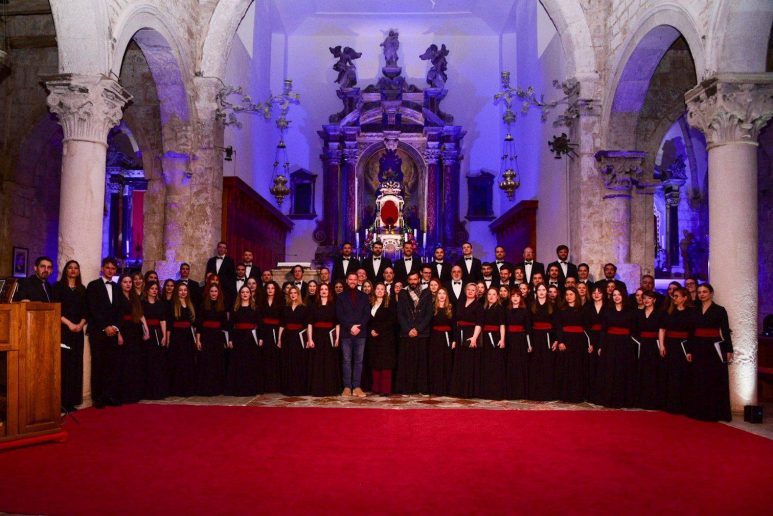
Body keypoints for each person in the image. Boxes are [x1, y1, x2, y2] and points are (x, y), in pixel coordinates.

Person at [687, 283, 733, 422]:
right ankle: (698, 411)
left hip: (714, 348)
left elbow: (725, 330)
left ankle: (714, 412)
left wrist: (729, 349)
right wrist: (689, 350)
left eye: (705, 292)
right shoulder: (694, 310)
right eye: (699, 292)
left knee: (713, 379)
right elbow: (690, 332)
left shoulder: (720, 310)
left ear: (711, 293)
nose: (701, 294)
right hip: (697, 346)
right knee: (698, 379)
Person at [52, 260, 87, 411]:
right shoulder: (58, 287)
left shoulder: (82, 289)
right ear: (66, 270)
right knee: (64, 364)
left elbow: (87, 310)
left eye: (76, 268)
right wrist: (69, 324)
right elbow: (55, 309)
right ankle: (60, 402)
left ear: (78, 271)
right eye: (70, 268)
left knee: (75, 365)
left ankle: (72, 401)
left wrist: (80, 324)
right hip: (63, 331)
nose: (73, 270)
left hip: (78, 332)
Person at [85, 257, 119, 408]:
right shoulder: (93, 285)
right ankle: (97, 398)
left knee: (111, 365)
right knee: (98, 364)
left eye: (113, 268)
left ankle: (109, 395)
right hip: (98, 332)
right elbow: (93, 309)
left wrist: (115, 327)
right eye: (107, 268)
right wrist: (105, 326)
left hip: (113, 332)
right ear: (102, 269)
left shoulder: (117, 287)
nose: (110, 270)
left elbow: (120, 310)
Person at [596, 288, 637, 408]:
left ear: (623, 296)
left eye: (619, 294)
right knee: (610, 370)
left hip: (625, 344)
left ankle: (623, 399)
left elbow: (634, 329)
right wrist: (601, 345)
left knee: (623, 370)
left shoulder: (630, 311)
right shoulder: (607, 311)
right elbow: (603, 330)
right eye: (614, 295)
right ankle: (608, 398)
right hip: (610, 344)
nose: (617, 297)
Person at [395, 272, 433, 394]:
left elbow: (428, 314)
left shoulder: (427, 293)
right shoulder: (402, 293)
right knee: (407, 363)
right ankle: (407, 389)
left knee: (422, 363)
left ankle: (422, 389)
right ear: (408, 280)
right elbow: (400, 314)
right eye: (410, 279)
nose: (413, 282)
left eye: (415, 279)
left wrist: (418, 329)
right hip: (407, 333)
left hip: (422, 333)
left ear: (419, 280)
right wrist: (409, 329)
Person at [659, 287, 694, 414]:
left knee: (682, 374)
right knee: (670, 374)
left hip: (684, 346)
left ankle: (683, 404)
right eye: (673, 296)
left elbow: (692, 332)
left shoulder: (691, 312)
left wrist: (689, 350)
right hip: (670, 345)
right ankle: (669, 404)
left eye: (677, 296)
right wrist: (662, 345)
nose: (674, 298)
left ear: (684, 298)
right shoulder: (668, 311)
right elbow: (662, 329)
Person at [115, 273, 149, 404]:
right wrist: (118, 333)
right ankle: (124, 394)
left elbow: (140, 314)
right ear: (120, 283)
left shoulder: (134, 297)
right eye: (125, 282)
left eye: (130, 282)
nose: (128, 284)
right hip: (123, 330)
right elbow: (115, 317)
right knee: (124, 362)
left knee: (135, 362)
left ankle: (134, 393)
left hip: (135, 331)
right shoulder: (117, 297)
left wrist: (146, 329)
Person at [336, 273, 371, 397]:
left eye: (355, 279)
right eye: (350, 279)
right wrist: (350, 327)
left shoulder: (364, 296)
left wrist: (358, 327)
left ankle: (356, 387)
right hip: (346, 333)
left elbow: (367, 314)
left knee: (359, 361)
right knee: (346, 360)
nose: (352, 281)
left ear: (358, 281)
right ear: (347, 280)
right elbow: (339, 314)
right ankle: (347, 387)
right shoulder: (341, 297)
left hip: (360, 333)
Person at [553, 287, 590, 403]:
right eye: (567, 294)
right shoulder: (561, 310)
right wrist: (561, 341)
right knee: (565, 367)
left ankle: (577, 394)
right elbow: (558, 327)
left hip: (579, 342)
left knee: (577, 368)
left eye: (571, 294)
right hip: (565, 341)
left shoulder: (583, 310)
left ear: (576, 295)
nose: (569, 296)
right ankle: (564, 394)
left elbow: (587, 327)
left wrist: (589, 343)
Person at [225, 285, 261, 396]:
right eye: (243, 292)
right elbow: (230, 325)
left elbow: (260, 324)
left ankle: (250, 388)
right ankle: (238, 388)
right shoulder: (235, 308)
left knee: (250, 364)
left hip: (251, 338)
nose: (245, 294)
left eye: (247, 292)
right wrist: (230, 339)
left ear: (250, 294)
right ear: (240, 294)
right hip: (238, 338)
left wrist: (260, 338)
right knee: (238, 364)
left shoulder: (255, 308)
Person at [449, 283, 482, 398]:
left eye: (473, 290)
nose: (470, 291)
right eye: (468, 289)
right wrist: (454, 339)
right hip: (460, 334)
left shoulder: (478, 305)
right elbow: (456, 322)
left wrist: (474, 338)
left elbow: (479, 323)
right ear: (465, 291)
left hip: (470, 335)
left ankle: (468, 391)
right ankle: (458, 390)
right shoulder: (460, 303)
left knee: (468, 363)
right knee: (460, 362)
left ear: (476, 292)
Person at [306, 283, 340, 396]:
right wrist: (310, 339)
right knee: (318, 363)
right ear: (319, 292)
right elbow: (310, 324)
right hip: (317, 337)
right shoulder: (314, 306)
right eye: (321, 289)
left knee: (329, 362)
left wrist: (337, 338)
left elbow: (337, 324)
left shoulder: (334, 306)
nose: (324, 291)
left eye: (326, 289)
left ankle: (330, 389)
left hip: (330, 337)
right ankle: (318, 389)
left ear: (329, 292)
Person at [196, 283, 229, 396]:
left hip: (218, 337)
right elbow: (199, 325)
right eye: (211, 291)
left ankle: (217, 388)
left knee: (217, 362)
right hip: (206, 336)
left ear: (218, 293)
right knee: (206, 362)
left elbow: (224, 326)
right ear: (208, 293)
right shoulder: (202, 306)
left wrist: (225, 341)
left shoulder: (222, 306)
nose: (213, 293)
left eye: (215, 291)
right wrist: (198, 340)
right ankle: (206, 388)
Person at [166, 282, 197, 397]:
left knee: (187, 361)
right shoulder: (172, 304)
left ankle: (188, 388)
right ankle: (177, 388)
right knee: (177, 361)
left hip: (188, 336)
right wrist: (168, 339)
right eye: (180, 290)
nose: (183, 292)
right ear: (177, 292)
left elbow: (193, 323)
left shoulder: (190, 304)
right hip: (176, 336)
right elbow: (169, 324)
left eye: (185, 290)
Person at [636, 290, 666, 410]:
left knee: (654, 371)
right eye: (644, 298)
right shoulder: (639, 313)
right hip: (642, 344)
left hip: (654, 344)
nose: (646, 300)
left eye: (649, 298)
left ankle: (654, 401)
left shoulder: (660, 313)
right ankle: (642, 400)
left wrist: (662, 345)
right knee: (642, 371)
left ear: (654, 300)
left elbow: (661, 330)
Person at [141, 280, 169, 400]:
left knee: (158, 363)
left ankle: (158, 391)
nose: (154, 291)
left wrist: (164, 336)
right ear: (147, 290)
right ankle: (147, 391)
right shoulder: (142, 303)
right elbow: (141, 318)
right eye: (152, 288)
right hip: (146, 334)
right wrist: (146, 330)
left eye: (156, 289)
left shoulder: (160, 304)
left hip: (158, 334)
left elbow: (163, 320)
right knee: (147, 362)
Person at [278, 286, 309, 396]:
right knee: (288, 362)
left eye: (295, 292)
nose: (293, 295)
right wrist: (279, 339)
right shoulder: (285, 308)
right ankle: (288, 388)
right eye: (291, 293)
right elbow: (282, 325)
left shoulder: (304, 308)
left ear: (298, 294)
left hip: (299, 337)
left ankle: (299, 388)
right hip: (287, 337)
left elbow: (306, 326)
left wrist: (307, 339)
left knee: (299, 362)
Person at [528, 284, 556, 401]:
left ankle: (547, 393)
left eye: (543, 290)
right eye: (539, 290)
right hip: (535, 337)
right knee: (535, 364)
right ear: (536, 292)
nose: (541, 292)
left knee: (547, 364)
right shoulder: (531, 305)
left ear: (546, 292)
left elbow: (556, 324)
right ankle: (535, 393)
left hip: (548, 337)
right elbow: (529, 324)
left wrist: (556, 340)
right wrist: (529, 342)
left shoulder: (552, 305)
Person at [368, 283, 397, 396]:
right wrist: (371, 330)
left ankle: (385, 389)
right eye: (378, 289)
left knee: (385, 363)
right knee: (375, 362)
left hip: (386, 337)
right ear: (374, 290)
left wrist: (378, 330)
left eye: (382, 289)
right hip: (373, 338)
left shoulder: (390, 303)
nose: (380, 291)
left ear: (385, 291)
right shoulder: (370, 303)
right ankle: (376, 388)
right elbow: (367, 319)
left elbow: (392, 320)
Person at [480, 287, 506, 400]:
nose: (491, 296)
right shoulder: (485, 308)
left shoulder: (499, 308)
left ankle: (495, 392)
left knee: (495, 365)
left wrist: (502, 339)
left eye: (494, 294)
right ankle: (486, 391)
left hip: (495, 337)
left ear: (497, 296)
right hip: (485, 338)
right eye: (489, 294)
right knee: (486, 364)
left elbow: (502, 325)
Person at [428, 287, 455, 396]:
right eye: (439, 293)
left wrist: (454, 340)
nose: (442, 295)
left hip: (447, 338)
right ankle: (435, 388)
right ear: (436, 295)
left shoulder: (450, 308)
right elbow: (429, 325)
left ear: (446, 295)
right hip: (435, 338)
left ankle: (446, 389)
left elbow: (454, 326)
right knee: (436, 362)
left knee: (446, 362)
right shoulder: (432, 308)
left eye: (444, 293)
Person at [505, 288, 530, 400]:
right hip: (510, 339)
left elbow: (528, 328)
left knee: (520, 364)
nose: (515, 298)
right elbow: (504, 326)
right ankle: (510, 391)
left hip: (521, 340)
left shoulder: (525, 311)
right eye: (513, 296)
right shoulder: (507, 310)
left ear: (521, 298)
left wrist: (529, 344)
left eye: (517, 296)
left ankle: (521, 391)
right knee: (510, 364)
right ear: (510, 298)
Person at [583, 285, 605, 404]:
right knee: (591, 366)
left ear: (603, 294)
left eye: (599, 292)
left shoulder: (608, 307)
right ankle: (591, 394)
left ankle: (602, 393)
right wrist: (590, 342)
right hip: (591, 339)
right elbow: (586, 326)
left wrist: (603, 343)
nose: (596, 295)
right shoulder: (587, 307)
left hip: (605, 339)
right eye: (594, 293)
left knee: (603, 366)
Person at [259, 281, 283, 393]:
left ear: (275, 289)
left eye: (272, 288)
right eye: (268, 288)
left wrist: (279, 337)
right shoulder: (261, 302)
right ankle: (265, 385)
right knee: (264, 359)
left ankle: (275, 385)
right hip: (264, 332)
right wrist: (260, 336)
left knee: (275, 359)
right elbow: (259, 320)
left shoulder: (281, 302)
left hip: (276, 332)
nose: (270, 290)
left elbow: (282, 320)